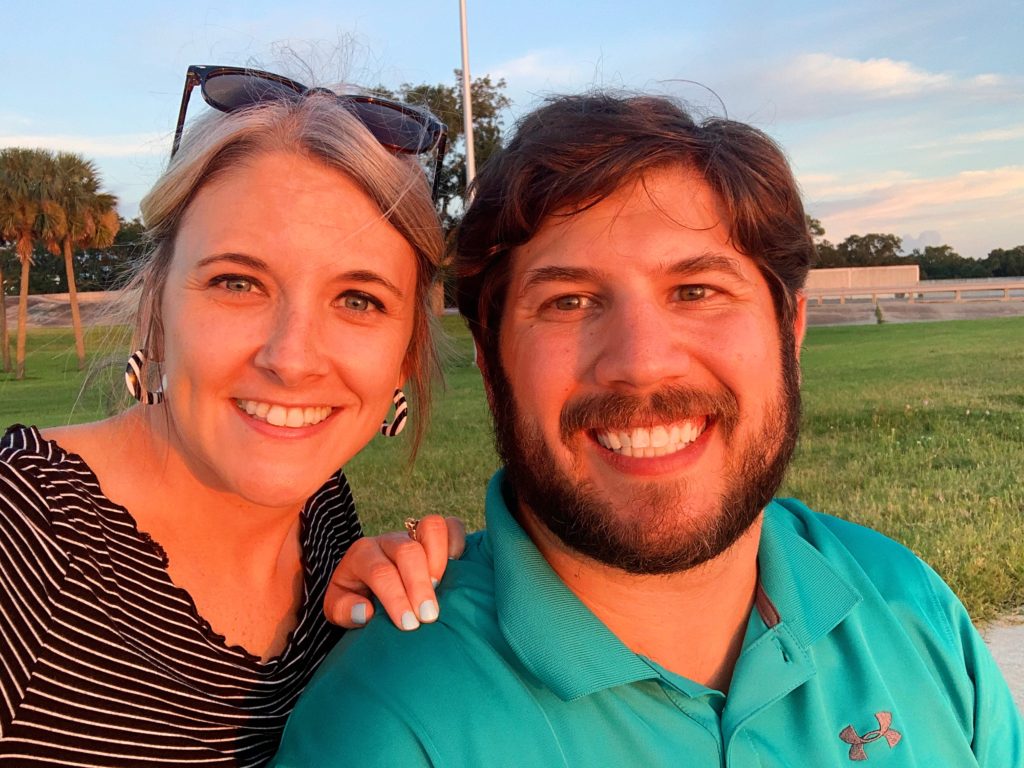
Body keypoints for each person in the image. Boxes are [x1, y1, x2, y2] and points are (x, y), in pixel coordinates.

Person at [273, 93, 1024, 766]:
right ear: (492, 364)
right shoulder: (387, 725)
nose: (640, 364)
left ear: (790, 331)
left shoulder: (905, 601)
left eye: (696, 290)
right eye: (568, 301)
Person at [0, 65, 463, 766]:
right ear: (157, 304)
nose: (293, 358)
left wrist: (376, 623)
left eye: (359, 299)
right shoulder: (23, 541)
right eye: (237, 283)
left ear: (405, 352)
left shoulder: (324, 515)